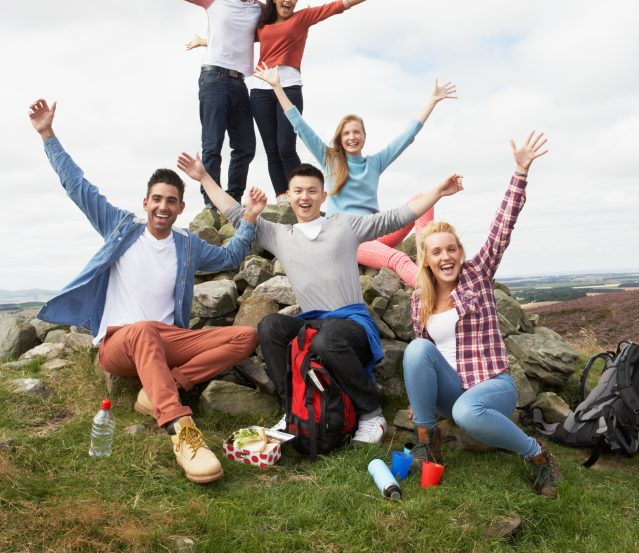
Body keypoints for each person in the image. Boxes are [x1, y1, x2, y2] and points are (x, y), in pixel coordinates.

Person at [29, 98, 267, 485]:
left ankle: (163, 387)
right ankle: (180, 429)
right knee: (142, 329)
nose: (162, 206)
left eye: (170, 201)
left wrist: (251, 220)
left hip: (168, 339)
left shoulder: (187, 245)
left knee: (246, 336)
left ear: (180, 208)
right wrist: (47, 134)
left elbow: (231, 256)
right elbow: (78, 187)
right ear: (145, 203)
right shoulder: (122, 228)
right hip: (120, 343)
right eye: (156, 199)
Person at [177, 152, 463, 444]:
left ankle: (371, 413)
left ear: (323, 196)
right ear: (288, 196)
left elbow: (393, 218)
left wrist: (437, 192)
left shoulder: (344, 225)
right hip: (314, 323)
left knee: (327, 340)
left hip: (352, 325)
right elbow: (237, 214)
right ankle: (294, 411)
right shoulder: (279, 235)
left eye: (312, 191)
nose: (305, 197)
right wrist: (203, 177)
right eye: (298, 191)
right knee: (270, 327)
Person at [402, 131, 562, 497]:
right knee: (415, 350)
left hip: (492, 385)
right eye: (436, 252)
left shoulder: (478, 274)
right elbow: (423, 360)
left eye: (451, 249)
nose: (445, 257)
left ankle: (538, 456)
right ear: (425, 260)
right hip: (452, 390)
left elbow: (502, 227)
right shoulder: (419, 300)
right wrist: (419, 403)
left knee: (468, 413)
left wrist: (519, 173)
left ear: (460, 251)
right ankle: (427, 443)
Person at [253, 65, 456, 285]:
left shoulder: (375, 163)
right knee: (398, 258)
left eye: (356, 132)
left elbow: (407, 136)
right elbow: (299, 125)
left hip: (377, 230)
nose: (352, 137)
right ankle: (434, 290)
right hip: (349, 239)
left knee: (421, 199)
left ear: (364, 137)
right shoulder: (331, 161)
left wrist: (432, 101)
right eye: (346, 133)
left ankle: (429, 254)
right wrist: (277, 87)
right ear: (340, 138)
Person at [114, 0, 261, 206]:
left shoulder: (258, 8)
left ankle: (232, 199)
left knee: (245, 147)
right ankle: (212, 203)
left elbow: (272, 29)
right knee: (212, 145)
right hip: (214, 78)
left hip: (239, 82)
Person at [249, 0, 395, 201]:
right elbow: (235, 39)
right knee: (271, 149)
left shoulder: (302, 18)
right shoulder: (263, 24)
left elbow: (337, 6)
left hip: (289, 86)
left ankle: (298, 193)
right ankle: (282, 198)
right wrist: (206, 42)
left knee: (286, 146)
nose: (289, 0)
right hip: (260, 88)